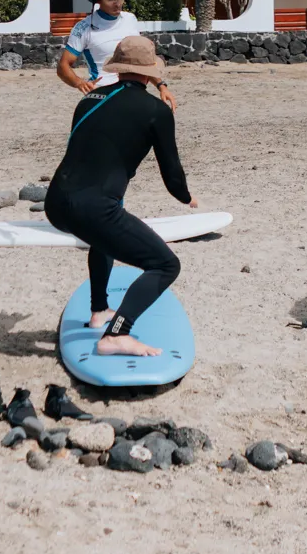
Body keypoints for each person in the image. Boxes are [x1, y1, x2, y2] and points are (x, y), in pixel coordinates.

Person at [44, 35, 198, 357]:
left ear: (119, 67)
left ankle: (99, 310)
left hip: (56, 202)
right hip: (95, 207)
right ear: (149, 73)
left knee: (103, 237)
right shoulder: (156, 110)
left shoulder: (88, 99)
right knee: (165, 265)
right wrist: (186, 199)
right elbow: (172, 175)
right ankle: (116, 334)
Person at [59, 0, 147, 94]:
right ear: (99, 0)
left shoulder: (130, 19)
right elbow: (63, 66)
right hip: (102, 92)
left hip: (132, 90)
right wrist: (80, 83)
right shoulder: (84, 27)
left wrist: (161, 86)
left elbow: (142, 58)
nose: (117, 3)